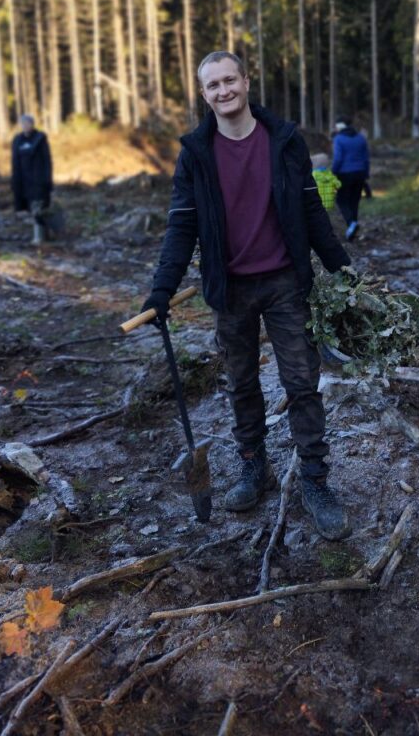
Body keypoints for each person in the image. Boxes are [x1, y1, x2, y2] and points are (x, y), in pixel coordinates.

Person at [141, 51, 353, 540]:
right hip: (229, 288)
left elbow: (312, 213)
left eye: (229, 80)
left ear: (246, 81)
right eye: (212, 85)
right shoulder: (195, 151)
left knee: (301, 383)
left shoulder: (283, 140)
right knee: (241, 385)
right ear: (204, 95)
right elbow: (181, 225)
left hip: (285, 282)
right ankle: (254, 468)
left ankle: (316, 482)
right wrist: (161, 291)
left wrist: (343, 268)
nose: (223, 91)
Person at [11, 114, 53, 245]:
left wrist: (47, 178)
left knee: (38, 208)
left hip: (38, 179)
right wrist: (15, 181)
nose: (25, 126)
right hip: (24, 181)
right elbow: (14, 162)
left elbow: (47, 160)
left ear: (32, 124)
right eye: (22, 124)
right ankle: (45, 233)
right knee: (30, 208)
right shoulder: (17, 140)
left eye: (27, 123)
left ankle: (38, 237)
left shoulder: (40, 139)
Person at [332, 116, 370, 241]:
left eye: (336, 126)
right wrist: (366, 173)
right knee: (354, 200)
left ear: (340, 127)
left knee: (341, 200)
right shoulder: (360, 138)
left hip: (345, 173)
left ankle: (351, 223)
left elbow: (337, 158)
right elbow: (366, 158)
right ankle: (352, 228)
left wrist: (333, 172)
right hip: (360, 173)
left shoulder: (339, 139)